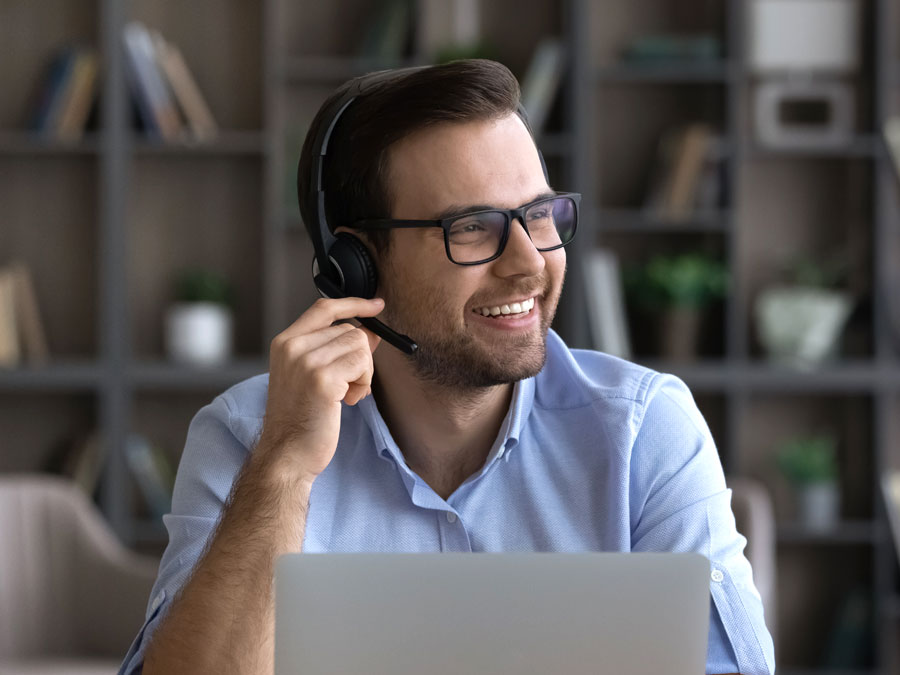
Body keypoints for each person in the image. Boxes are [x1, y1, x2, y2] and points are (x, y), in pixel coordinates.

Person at [119, 59, 775, 675]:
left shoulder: (643, 429)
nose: (529, 261)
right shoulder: (249, 436)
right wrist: (283, 465)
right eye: (473, 227)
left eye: (540, 215)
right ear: (359, 265)